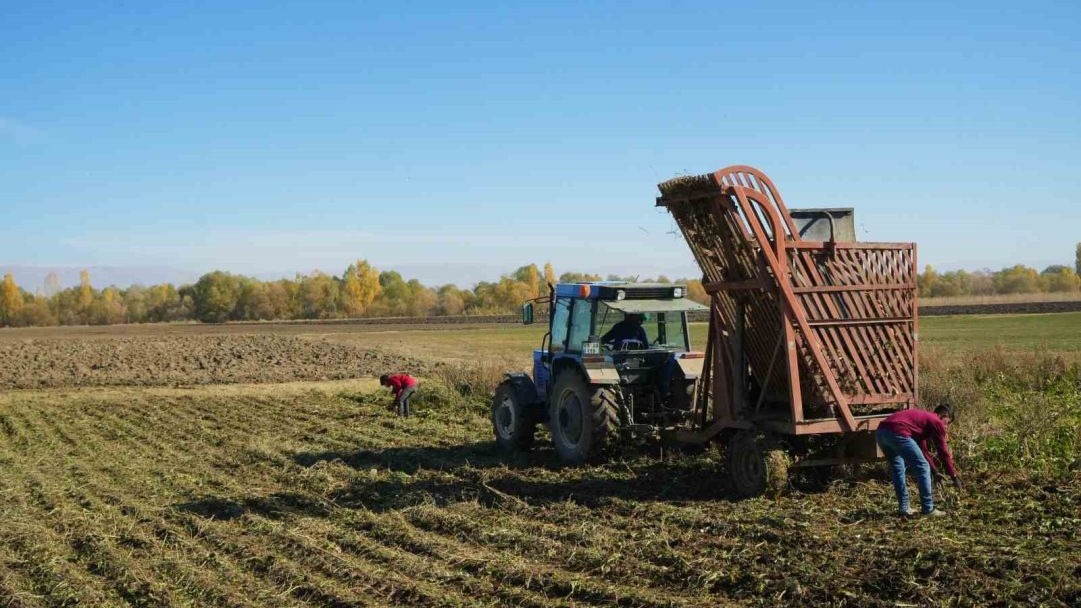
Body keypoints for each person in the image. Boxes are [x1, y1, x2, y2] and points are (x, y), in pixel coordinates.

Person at [876, 404, 962, 517]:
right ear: (944, 415)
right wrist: (953, 476)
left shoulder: (923, 422)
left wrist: (935, 472)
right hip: (898, 431)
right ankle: (928, 509)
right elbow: (943, 452)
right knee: (922, 467)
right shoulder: (937, 421)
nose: (946, 427)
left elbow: (924, 451)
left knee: (898, 468)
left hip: (881, 432)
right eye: (947, 423)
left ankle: (904, 507)